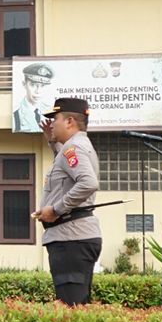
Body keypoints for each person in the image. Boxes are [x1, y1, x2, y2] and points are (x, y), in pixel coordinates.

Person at [32, 97, 102, 306]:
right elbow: (66, 172)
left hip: (71, 239)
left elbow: (88, 183)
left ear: (69, 121)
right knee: (76, 306)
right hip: (72, 237)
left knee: (71, 307)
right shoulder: (72, 148)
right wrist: (53, 143)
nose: (52, 123)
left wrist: (55, 209)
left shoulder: (74, 148)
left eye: (56, 118)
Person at [12, 62, 55, 131]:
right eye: (33, 85)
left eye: (42, 86)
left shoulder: (52, 112)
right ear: (24, 84)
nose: (38, 91)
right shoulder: (15, 114)